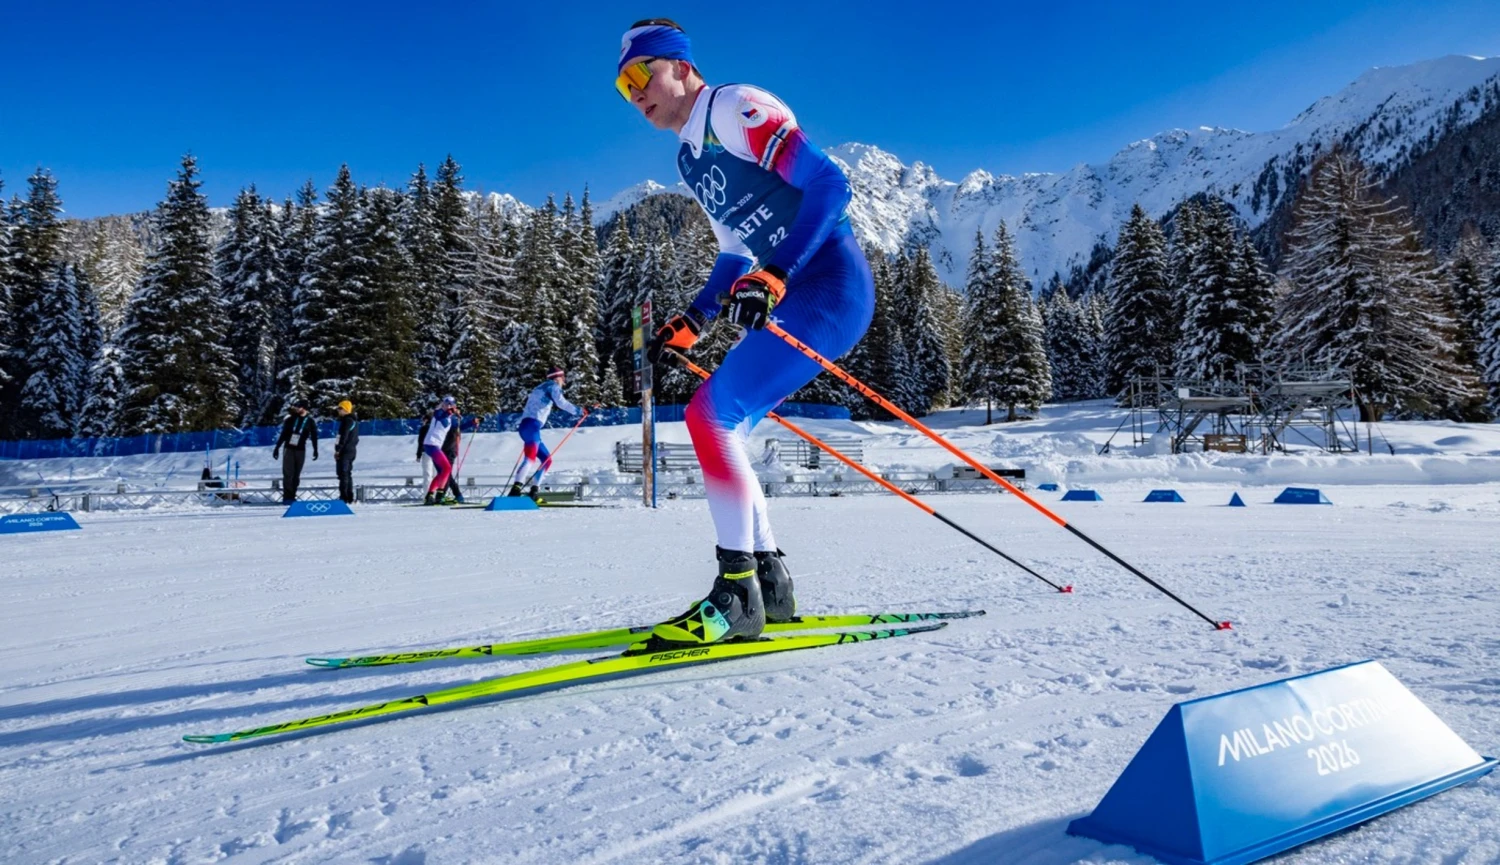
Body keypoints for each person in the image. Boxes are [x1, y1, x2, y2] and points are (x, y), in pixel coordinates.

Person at [622, 19, 874, 645]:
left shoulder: (733, 108)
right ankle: (768, 582)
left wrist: (779, 272)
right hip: (795, 290)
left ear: (679, 65)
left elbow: (828, 184)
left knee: (709, 415)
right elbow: (735, 250)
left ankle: (736, 593)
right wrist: (694, 319)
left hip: (829, 285)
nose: (634, 94)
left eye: (639, 74)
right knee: (724, 423)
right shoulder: (689, 157)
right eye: (622, 87)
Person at [506, 367, 582, 498]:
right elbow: (561, 403)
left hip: (528, 426)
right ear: (557, 377)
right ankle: (515, 491)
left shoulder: (541, 386)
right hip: (532, 426)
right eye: (563, 378)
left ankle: (534, 492)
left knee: (547, 460)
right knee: (529, 459)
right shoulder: (553, 386)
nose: (564, 381)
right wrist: (580, 411)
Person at [272, 399, 319, 503]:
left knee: (296, 475)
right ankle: (287, 497)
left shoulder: (310, 421)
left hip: (301, 450)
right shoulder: (290, 419)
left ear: (304, 408)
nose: (297, 409)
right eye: (296, 407)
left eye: (299, 407)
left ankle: (293, 495)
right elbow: (283, 434)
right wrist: (277, 448)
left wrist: (315, 450)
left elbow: (314, 436)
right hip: (289, 449)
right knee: (288, 474)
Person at [418, 396, 461, 505]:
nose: (448, 406)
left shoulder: (450, 418)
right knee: (446, 468)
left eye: (451, 404)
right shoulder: (439, 412)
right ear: (443, 404)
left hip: (435, 445)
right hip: (431, 444)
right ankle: (440, 496)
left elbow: (459, 427)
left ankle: (430, 496)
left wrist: (473, 422)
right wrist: (450, 412)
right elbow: (440, 416)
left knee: (443, 471)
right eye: (447, 404)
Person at [334, 400, 359, 504]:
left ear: (345, 409)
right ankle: (348, 496)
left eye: (340, 408)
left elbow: (343, 436)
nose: (338, 411)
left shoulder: (347, 420)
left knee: (344, 473)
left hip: (345, 451)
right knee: (346, 473)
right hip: (350, 450)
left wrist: (338, 449)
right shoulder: (352, 420)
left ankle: (345, 497)